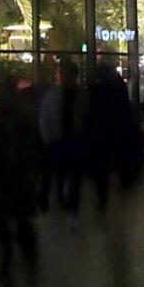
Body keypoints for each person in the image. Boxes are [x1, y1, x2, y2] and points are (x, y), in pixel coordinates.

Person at [0, 74, 40, 285]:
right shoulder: (21, 117)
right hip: (15, 176)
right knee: (19, 220)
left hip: (6, 176)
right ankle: (26, 263)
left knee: (8, 219)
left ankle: (11, 262)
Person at [84, 63, 141, 209]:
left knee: (102, 167)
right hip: (115, 134)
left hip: (101, 136)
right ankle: (120, 184)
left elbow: (90, 115)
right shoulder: (117, 90)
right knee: (115, 161)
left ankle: (102, 196)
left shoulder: (96, 92)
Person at [38, 60, 85, 211]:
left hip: (60, 140)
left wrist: (48, 137)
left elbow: (44, 117)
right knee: (72, 174)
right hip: (69, 140)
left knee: (56, 173)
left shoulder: (53, 95)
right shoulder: (81, 95)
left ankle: (56, 200)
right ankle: (69, 201)